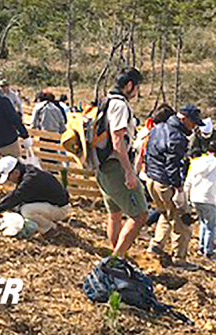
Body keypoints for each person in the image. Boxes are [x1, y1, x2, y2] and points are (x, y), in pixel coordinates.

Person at [95, 68, 148, 258]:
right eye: (137, 87)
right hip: (116, 166)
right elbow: (118, 140)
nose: (137, 92)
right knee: (140, 215)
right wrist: (129, 172)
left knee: (115, 214)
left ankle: (117, 255)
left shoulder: (105, 100)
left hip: (103, 166)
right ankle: (117, 260)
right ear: (129, 85)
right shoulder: (119, 105)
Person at [145, 104, 204, 269]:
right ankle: (179, 259)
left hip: (152, 181)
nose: (194, 127)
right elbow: (173, 166)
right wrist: (178, 189)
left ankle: (156, 246)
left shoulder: (158, 128)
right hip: (167, 184)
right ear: (183, 119)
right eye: (193, 123)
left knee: (165, 214)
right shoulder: (177, 137)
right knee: (182, 221)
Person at [0, 156, 70, 236]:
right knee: (22, 208)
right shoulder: (28, 171)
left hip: (60, 209)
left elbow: (15, 197)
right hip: (54, 204)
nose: (9, 181)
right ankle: (47, 222)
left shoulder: (29, 181)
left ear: (16, 172)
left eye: (8, 178)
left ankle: (50, 228)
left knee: (26, 210)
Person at [185, 141, 216, 259]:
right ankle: (208, 251)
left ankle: (201, 246)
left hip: (195, 198)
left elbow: (188, 181)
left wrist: (186, 198)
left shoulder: (196, 162)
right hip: (209, 199)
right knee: (210, 226)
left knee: (203, 222)